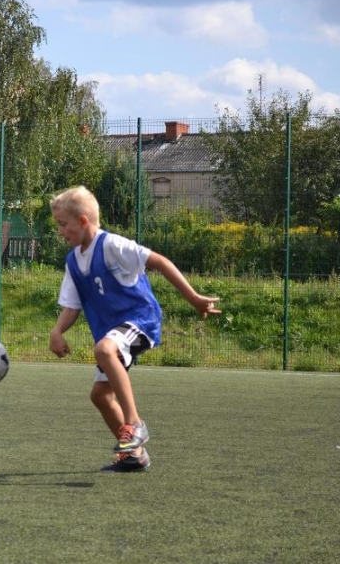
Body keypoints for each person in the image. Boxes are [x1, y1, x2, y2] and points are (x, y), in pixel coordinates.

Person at [48, 186, 220, 472]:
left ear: (83, 221)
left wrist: (193, 298)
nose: (60, 231)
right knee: (100, 396)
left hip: (140, 320)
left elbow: (159, 261)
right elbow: (72, 305)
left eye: (63, 224)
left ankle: (135, 423)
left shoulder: (112, 245)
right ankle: (134, 455)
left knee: (104, 350)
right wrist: (57, 331)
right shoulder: (73, 261)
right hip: (112, 333)